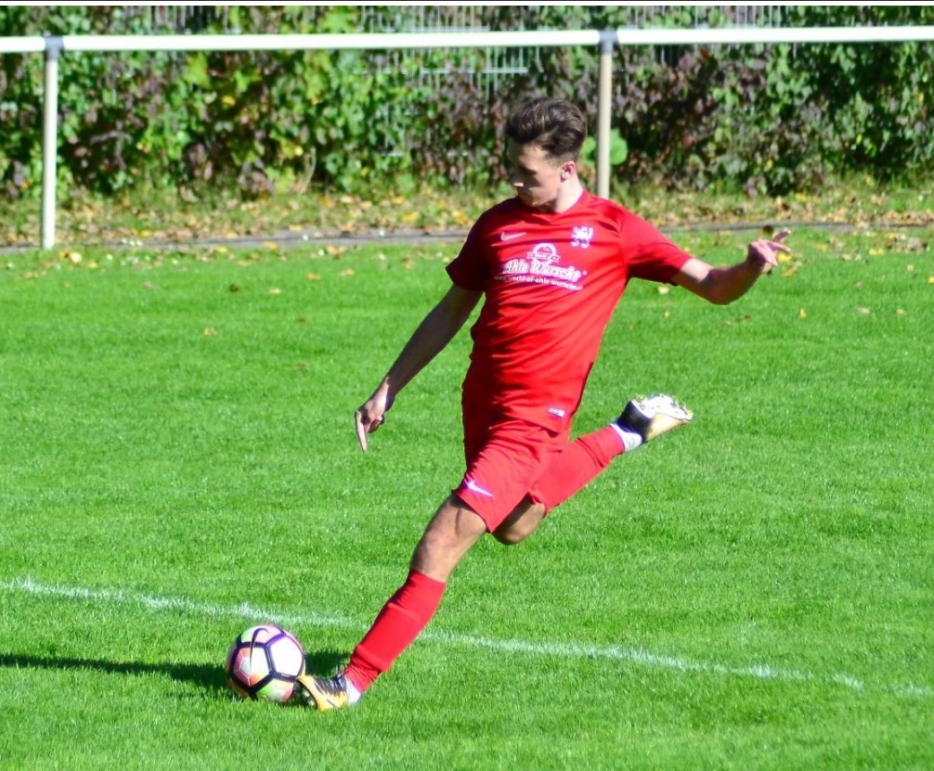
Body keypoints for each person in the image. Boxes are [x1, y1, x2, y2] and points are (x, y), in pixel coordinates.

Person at [296, 96, 791, 710]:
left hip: (534, 420)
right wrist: (389, 385)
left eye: (526, 172)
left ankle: (352, 682)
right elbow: (451, 310)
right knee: (514, 525)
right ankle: (628, 429)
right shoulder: (496, 225)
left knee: (443, 540)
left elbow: (714, 285)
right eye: (509, 167)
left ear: (567, 169)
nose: (513, 181)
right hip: (482, 401)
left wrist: (750, 267)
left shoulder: (615, 230)